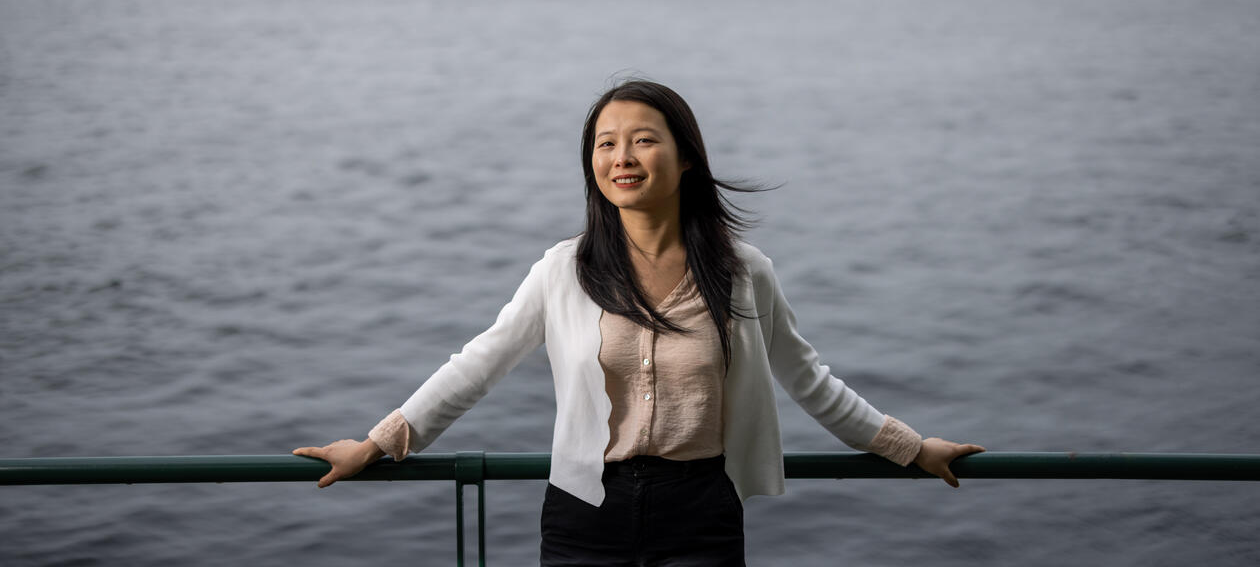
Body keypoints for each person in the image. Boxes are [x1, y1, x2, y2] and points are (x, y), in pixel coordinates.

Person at [294, 80, 983, 566]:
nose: (621, 157)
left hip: (702, 509)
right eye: (605, 144)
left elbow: (809, 381)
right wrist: (377, 444)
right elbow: (478, 364)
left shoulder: (745, 272)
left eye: (642, 140)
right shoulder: (562, 271)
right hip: (583, 512)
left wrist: (910, 447)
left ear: (685, 158)